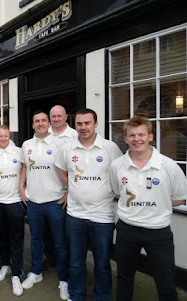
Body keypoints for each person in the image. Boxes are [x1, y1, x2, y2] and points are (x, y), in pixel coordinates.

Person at [109, 116, 187, 301]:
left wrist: (157, 203)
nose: (137, 139)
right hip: (127, 229)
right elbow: (118, 192)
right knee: (124, 277)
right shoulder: (117, 165)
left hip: (158, 232)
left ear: (151, 136)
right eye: (132, 135)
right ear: (126, 139)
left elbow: (179, 198)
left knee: (166, 282)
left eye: (141, 134)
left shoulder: (168, 165)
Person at [56, 108, 122, 301]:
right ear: (74, 125)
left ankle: (101, 297)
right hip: (75, 215)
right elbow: (61, 169)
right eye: (79, 123)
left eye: (87, 123)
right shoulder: (67, 148)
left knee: (102, 263)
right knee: (76, 261)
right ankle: (77, 295)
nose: (83, 127)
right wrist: (73, 188)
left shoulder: (110, 148)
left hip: (102, 217)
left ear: (96, 124)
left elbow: (120, 173)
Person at [19, 111, 69, 300]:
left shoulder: (59, 145)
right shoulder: (27, 145)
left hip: (55, 202)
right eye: (36, 121)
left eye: (43, 121)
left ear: (49, 123)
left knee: (60, 243)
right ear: (32, 125)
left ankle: (64, 279)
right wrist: (21, 187)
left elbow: (68, 170)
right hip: (33, 202)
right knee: (35, 241)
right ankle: (36, 272)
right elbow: (24, 167)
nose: (40, 124)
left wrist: (69, 192)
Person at [0, 125, 25, 296]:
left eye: (5, 136)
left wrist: (23, 188)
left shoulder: (18, 152)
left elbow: (25, 169)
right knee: (1, 236)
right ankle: (5, 265)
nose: (2, 138)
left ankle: (16, 273)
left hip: (15, 201)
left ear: (10, 136)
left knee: (16, 237)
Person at [43, 105, 78, 270]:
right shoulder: (43, 134)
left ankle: (65, 266)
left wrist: (70, 192)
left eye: (59, 116)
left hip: (64, 195)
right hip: (45, 193)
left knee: (64, 235)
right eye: (53, 116)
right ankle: (51, 259)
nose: (56, 119)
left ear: (65, 117)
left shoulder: (74, 136)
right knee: (47, 234)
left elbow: (78, 168)